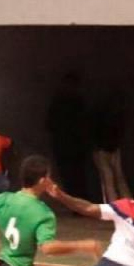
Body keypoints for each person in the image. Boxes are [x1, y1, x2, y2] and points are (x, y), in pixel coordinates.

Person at [46, 72, 89, 200]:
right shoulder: (78, 102)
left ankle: (76, 204)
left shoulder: (60, 102)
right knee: (76, 176)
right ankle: (79, 203)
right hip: (73, 145)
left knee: (71, 176)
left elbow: (49, 124)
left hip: (66, 145)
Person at [91, 89, 131, 202]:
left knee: (117, 177)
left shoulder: (118, 116)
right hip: (102, 150)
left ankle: (127, 203)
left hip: (113, 149)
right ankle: (114, 206)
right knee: (108, 178)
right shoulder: (101, 116)